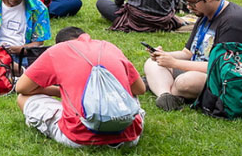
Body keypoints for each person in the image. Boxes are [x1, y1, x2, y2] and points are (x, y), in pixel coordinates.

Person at [146, 0, 242, 111]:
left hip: (237, 78)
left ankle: (164, 87)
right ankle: (166, 95)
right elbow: (188, 53)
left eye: (193, 2)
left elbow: (220, 68)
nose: (189, 7)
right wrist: (164, 55)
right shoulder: (204, 14)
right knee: (152, 62)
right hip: (205, 68)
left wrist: (174, 63)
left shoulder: (234, 22)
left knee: (185, 81)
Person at [16, 29, 146, 149]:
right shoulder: (109, 47)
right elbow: (139, 89)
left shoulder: (57, 51)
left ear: (60, 44)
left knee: (23, 98)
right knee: (130, 93)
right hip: (129, 136)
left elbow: (21, 88)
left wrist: (56, 91)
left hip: (80, 138)